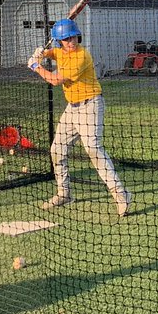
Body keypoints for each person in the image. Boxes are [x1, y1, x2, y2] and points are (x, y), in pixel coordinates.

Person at [29, 18, 132, 217]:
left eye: (73, 37)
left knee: (93, 149)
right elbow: (51, 53)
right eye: (66, 39)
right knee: (57, 150)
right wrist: (41, 53)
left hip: (90, 106)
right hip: (72, 108)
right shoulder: (59, 51)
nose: (71, 41)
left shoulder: (81, 56)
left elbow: (55, 80)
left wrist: (35, 66)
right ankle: (64, 193)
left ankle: (121, 195)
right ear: (60, 41)